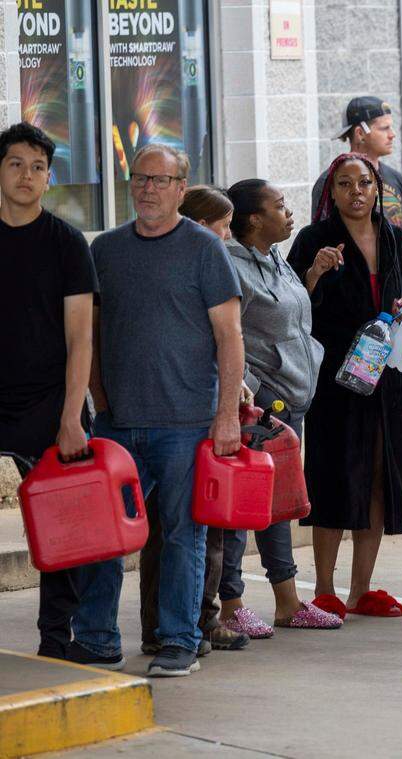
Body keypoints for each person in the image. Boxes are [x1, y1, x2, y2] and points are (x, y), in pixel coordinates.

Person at [85, 143, 244, 677]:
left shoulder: (205, 249)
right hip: (117, 424)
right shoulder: (105, 249)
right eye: (140, 178)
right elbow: (89, 332)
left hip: (186, 423)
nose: (148, 188)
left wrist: (225, 416)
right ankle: (98, 639)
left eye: (161, 179)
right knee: (106, 538)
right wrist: (99, 400)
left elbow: (230, 337)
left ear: (182, 188)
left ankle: (179, 640)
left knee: (181, 534)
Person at [289, 152, 402, 619]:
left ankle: (360, 589)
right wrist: (313, 274)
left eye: (365, 182)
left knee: (377, 477)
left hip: (388, 379)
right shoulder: (314, 240)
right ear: (330, 192)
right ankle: (326, 589)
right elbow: (290, 308)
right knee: (334, 477)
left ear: (378, 189)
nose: (357, 191)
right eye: (346, 184)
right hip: (336, 380)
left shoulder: (398, 241)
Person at [215, 179, 343, 636]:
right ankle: (230, 606)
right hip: (257, 410)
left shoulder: (275, 260)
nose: (289, 213)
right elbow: (226, 335)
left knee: (278, 505)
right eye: (280, 206)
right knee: (241, 510)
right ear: (253, 219)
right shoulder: (229, 265)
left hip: (291, 404)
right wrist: (248, 390)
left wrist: (311, 276)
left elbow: (288, 317)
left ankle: (288, 603)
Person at [135, 187, 250, 657]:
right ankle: (188, 626)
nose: (226, 235)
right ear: (199, 225)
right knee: (190, 530)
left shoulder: (198, 263)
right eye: (222, 226)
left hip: (196, 409)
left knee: (186, 532)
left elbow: (228, 342)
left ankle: (180, 626)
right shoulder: (191, 264)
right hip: (181, 416)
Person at [0, 122, 97, 661]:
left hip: (46, 401)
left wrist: (71, 416)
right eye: (16, 163)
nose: (27, 176)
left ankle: (57, 640)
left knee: (63, 524)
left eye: (38, 167)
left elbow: (81, 336)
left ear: (49, 178)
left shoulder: (65, 242)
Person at [311, 96, 402, 230]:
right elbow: (319, 238)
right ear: (360, 133)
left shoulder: (399, 180)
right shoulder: (328, 181)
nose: (392, 134)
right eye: (384, 128)